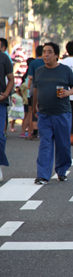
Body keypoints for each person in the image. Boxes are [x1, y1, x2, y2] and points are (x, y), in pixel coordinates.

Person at [33, 42, 73, 185]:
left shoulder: (65, 70)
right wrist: (35, 103)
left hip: (62, 113)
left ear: (56, 55)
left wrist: (68, 92)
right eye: (44, 52)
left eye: (49, 52)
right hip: (44, 114)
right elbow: (36, 89)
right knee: (45, 144)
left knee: (63, 144)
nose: (45, 54)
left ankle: (61, 171)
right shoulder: (39, 71)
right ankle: (43, 175)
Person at [0, 49, 13, 180]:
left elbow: (11, 79)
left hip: (1, 103)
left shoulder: (3, 57)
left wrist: (6, 94)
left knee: (0, 136)